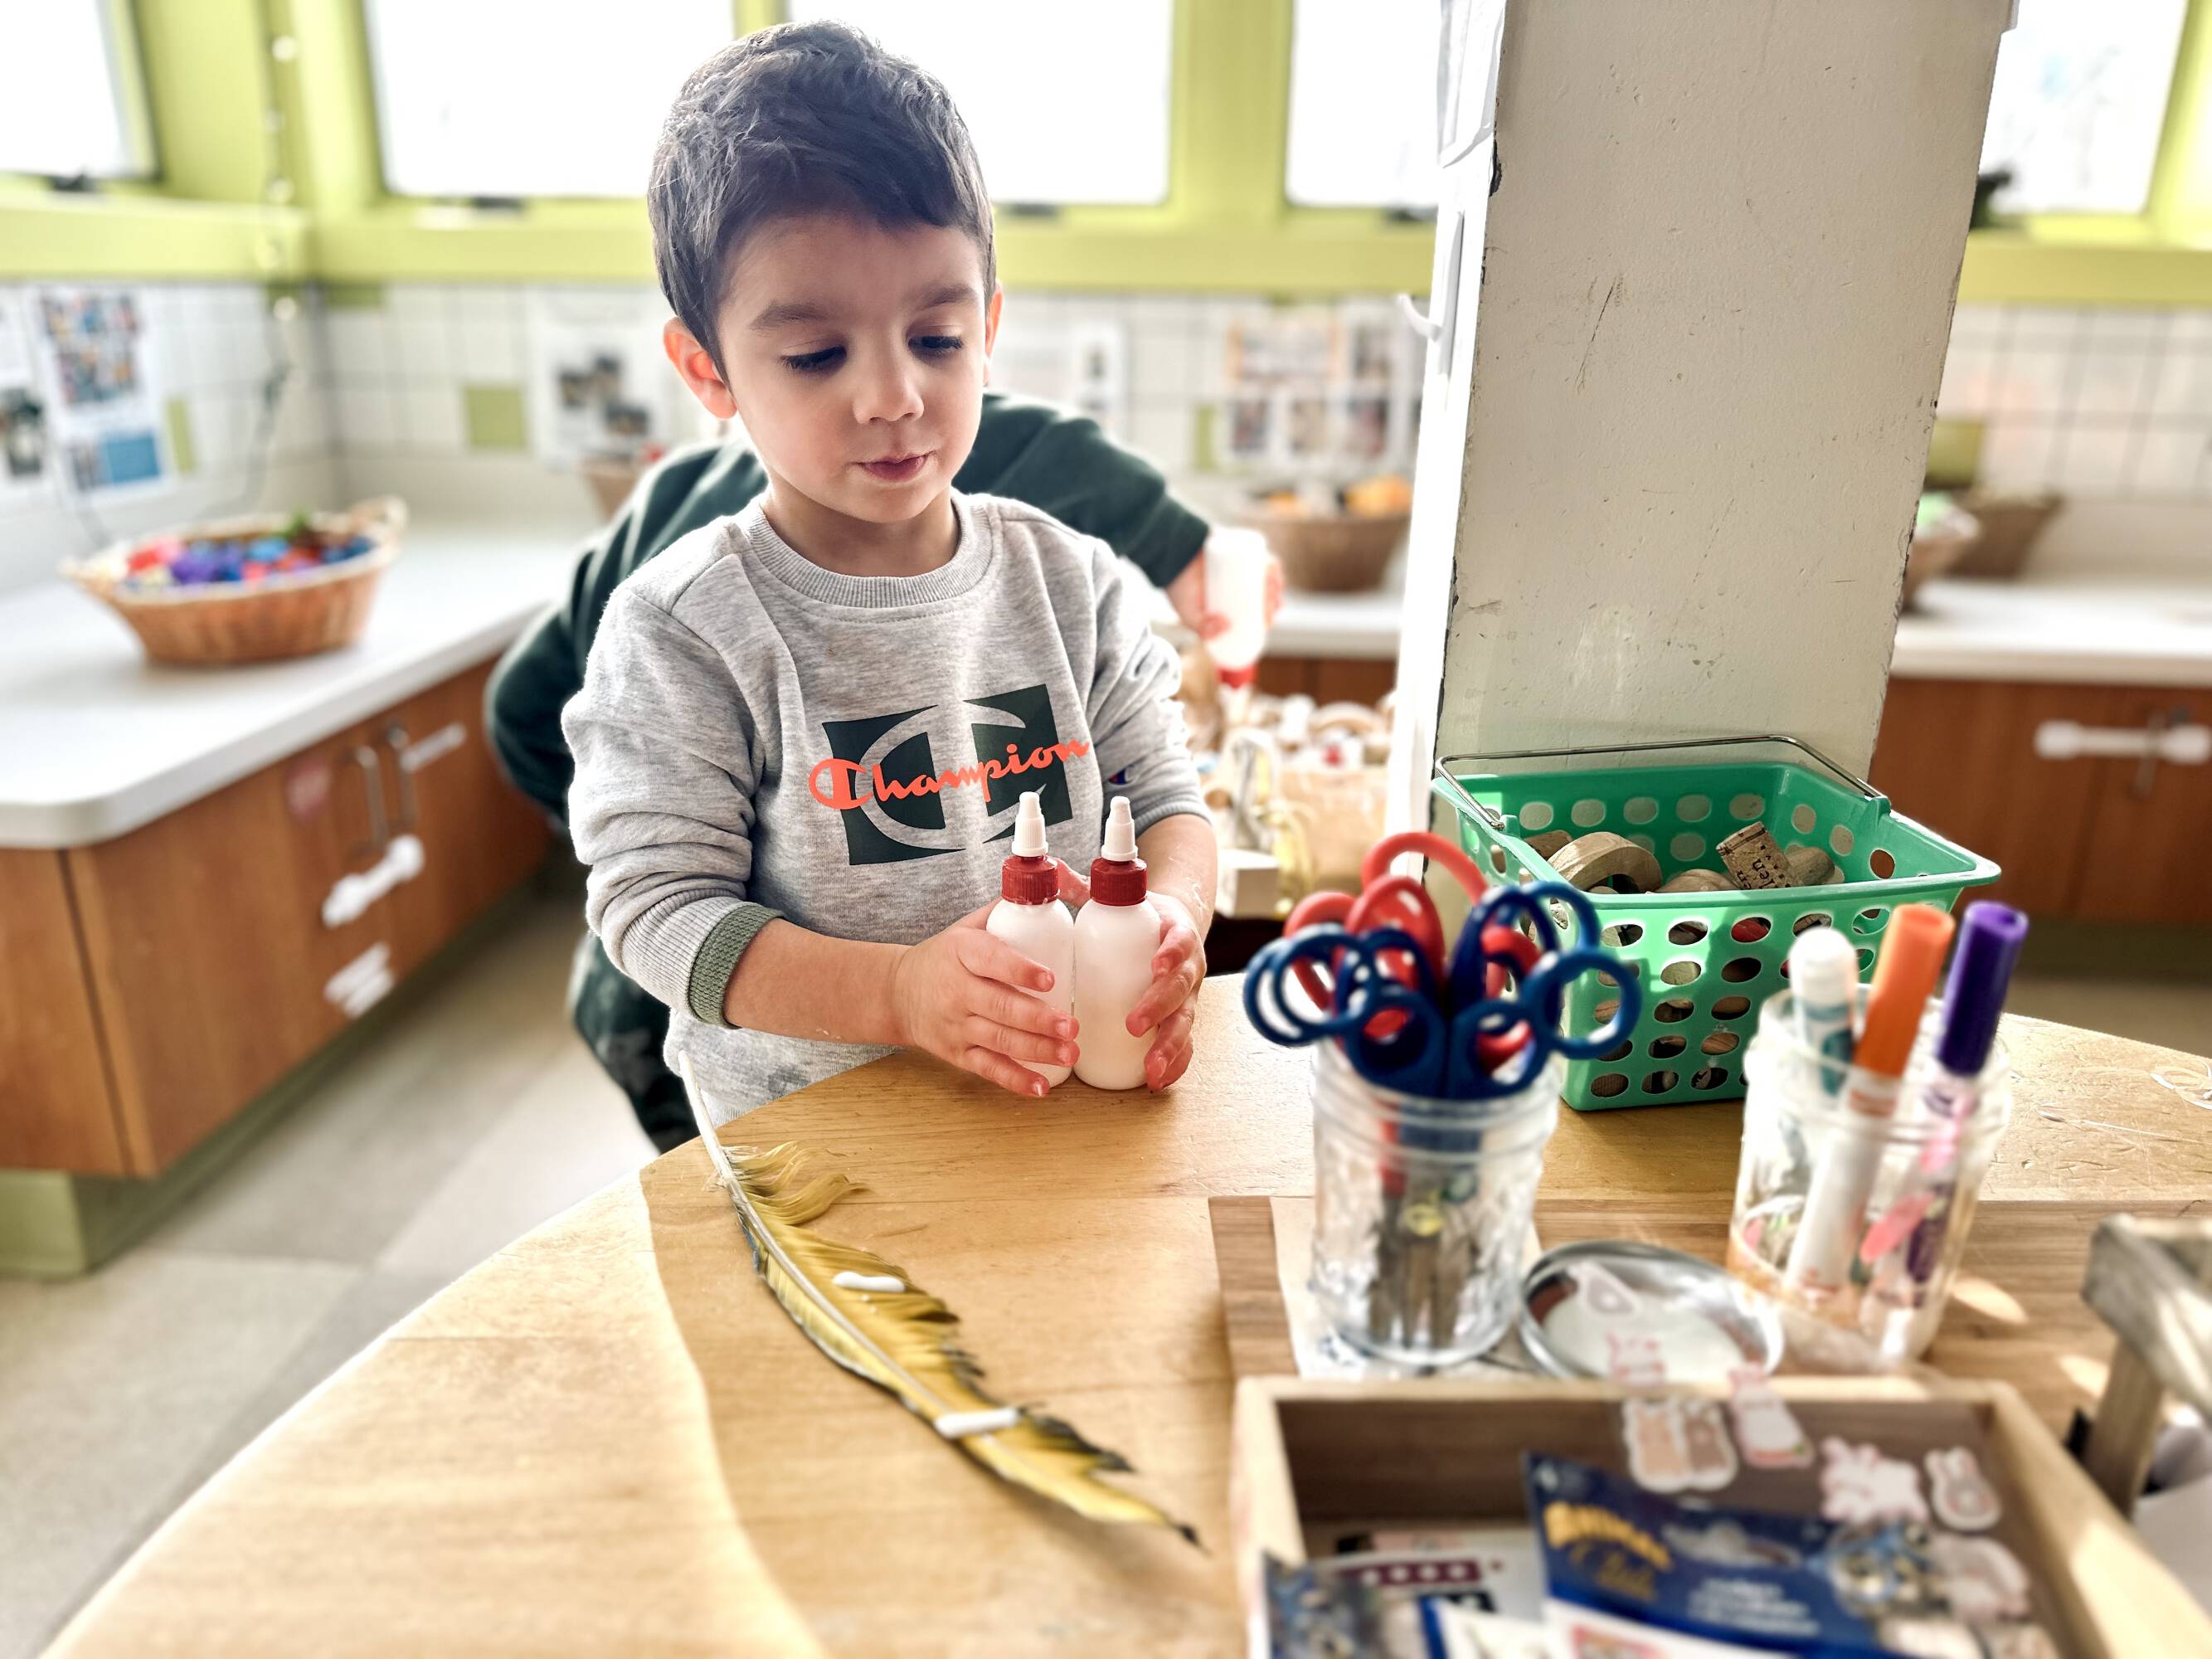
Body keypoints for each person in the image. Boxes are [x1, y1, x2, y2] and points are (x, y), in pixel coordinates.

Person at [557, 19, 1221, 1137]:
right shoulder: (688, 629)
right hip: (822, 1156)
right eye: (817, 355)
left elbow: (1166, 805)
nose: (894, 397)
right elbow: (657, 913)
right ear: (707, 370)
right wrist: (899, 993)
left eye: (938, 338)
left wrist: (1171, 922)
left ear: (989, 327)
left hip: (1067, 1124)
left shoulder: (1075, 585)